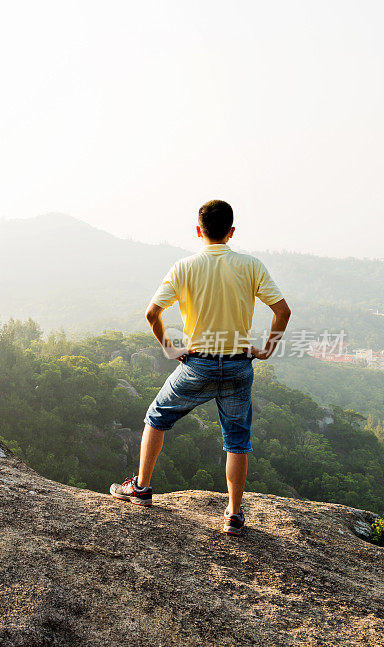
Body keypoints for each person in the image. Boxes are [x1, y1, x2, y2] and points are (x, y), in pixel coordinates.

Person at [110, 200, 291, 536]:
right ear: (231, 231)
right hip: (239, 366)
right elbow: (283, 311)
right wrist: (266, 349)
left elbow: (152, 314)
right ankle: (234, 515)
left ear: (199, 231)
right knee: (237, 441)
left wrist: (169, 347)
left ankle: (141, 488)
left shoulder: (184, 267)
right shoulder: (251, 265)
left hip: (198, 365)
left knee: (156, 417)